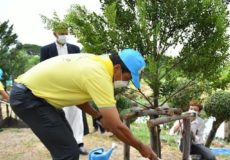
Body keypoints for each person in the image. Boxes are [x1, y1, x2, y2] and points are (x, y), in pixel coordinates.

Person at [9, 49, 158, 160]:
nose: (126, 82)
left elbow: (78, 96)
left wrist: (97, 115)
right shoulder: (99, 74)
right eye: (128, 77)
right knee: (68, 152)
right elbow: (116, 125)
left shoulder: (97, 61)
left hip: (38, 97)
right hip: (29, 98)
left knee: (67, 148)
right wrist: (141, 147)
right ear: (118, 68)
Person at [40, 21, 89, 155]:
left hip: (73, 87)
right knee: (60, 116)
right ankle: (64, 144)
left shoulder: (75, 49)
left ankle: (79, 143)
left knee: (76, 114)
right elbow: (42, 70)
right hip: (56, 88)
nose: (64, 35)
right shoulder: (46, 50)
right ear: (54, 33)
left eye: (65, 33)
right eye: (61, 33)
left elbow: (80, 67)